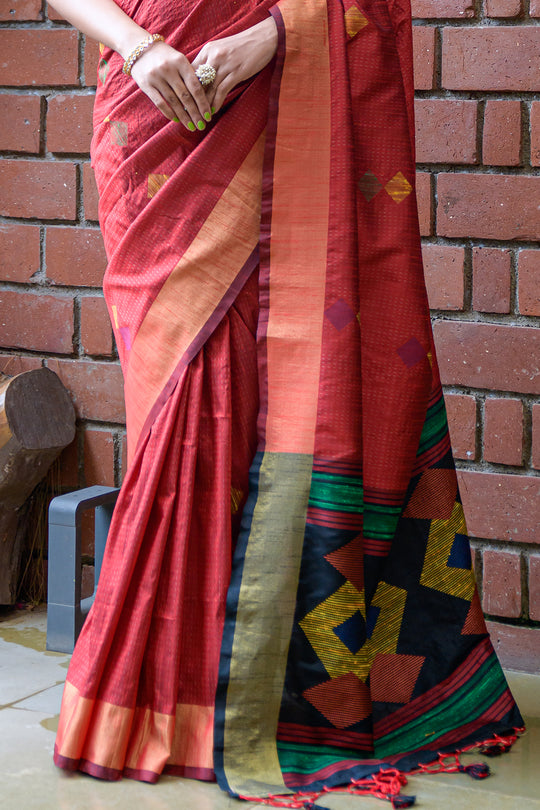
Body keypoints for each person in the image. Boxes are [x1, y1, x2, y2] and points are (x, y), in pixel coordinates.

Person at [48, 0, 524, 807]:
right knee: (179, 405)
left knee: (273, 403)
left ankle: (257, 692)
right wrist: (135, 46)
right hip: (152, 117)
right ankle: (175, 690)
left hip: (278, 110)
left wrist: (277, 35)